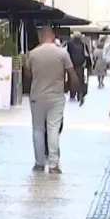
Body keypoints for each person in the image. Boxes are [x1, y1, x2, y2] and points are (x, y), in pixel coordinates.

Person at [26, 25, 80, 174]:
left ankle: (39, 163)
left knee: (38, 129)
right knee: (53, 129)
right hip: (56, 96)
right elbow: (72, 75)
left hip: (37, 96)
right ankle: (53, 165)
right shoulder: (62, 53)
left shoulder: (32, 54)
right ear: (53, 36)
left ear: (40, 36)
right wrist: (75, 90)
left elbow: (27, 74)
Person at [66, 31, 90, 104]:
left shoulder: (69, 44)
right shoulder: (83, 44)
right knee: (80, 79)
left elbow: (66, 53)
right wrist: (88, 65)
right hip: (80, 65)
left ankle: (72, 94)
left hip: (71, 64)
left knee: (71, 79)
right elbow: (87, 55)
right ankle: (79, 94)